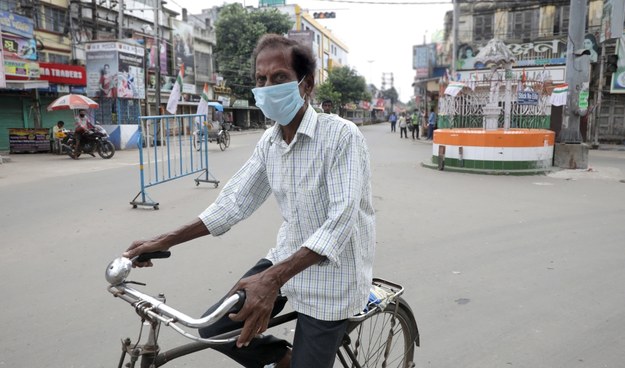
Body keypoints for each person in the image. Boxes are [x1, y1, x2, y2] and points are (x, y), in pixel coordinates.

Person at [123, 33, 375, 368]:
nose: (268, 87)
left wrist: (272, 279)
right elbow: (233, 203)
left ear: (306, 85)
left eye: (280, 78)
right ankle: (282, 358)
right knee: (213, 328)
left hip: (333, 275)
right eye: (261, 79)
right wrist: (163, 240)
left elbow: (340, 222)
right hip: (286, 257)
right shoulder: (270, 143)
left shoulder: (342, 136)